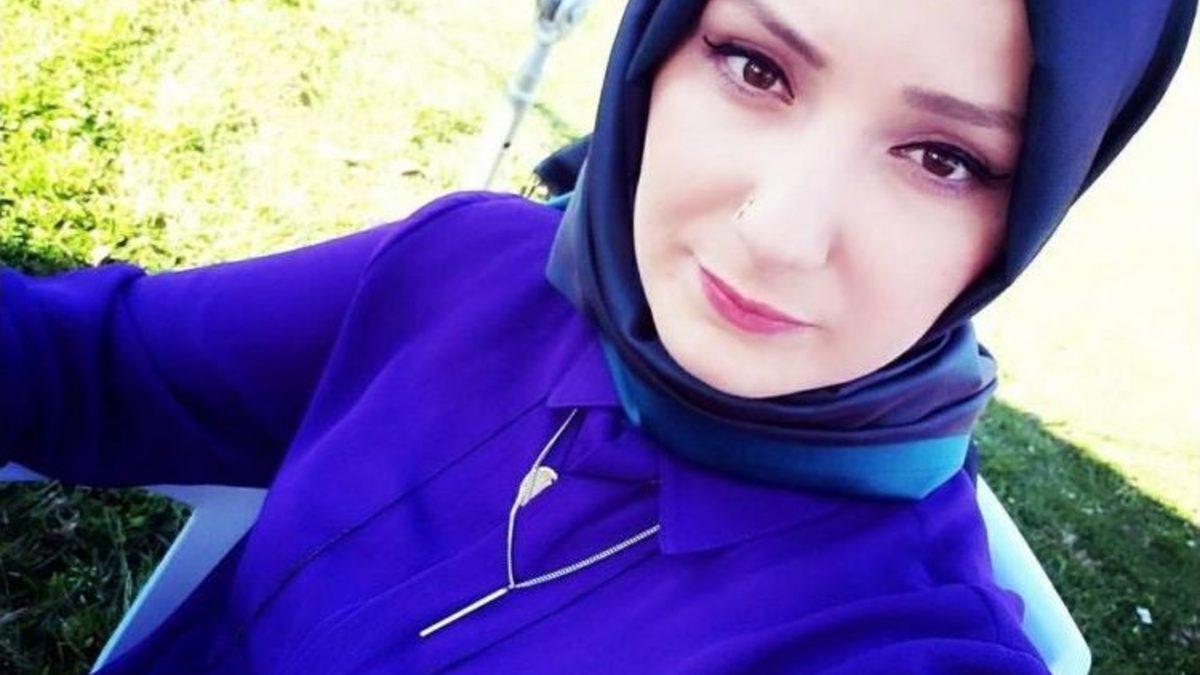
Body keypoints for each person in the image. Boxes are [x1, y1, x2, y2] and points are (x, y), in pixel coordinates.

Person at [0, 0, 1194, 672]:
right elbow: (85, 367)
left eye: (944, 159)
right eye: (756, 67)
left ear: (1028, 213)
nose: (779, 232)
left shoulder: (902, 641)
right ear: (655, 55)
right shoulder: (467, 268)